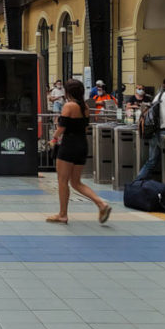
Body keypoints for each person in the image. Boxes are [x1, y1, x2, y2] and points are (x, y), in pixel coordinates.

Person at [46, 79, 112, 225]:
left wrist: (54, 139)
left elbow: (61, 128)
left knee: (63, 181)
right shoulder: (86, 107)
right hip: (82, 145)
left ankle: (62, 214)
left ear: (68, 92)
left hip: (69, 145)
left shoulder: (69, 106)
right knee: (76, 182)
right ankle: (101, 203)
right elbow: (84, 128)